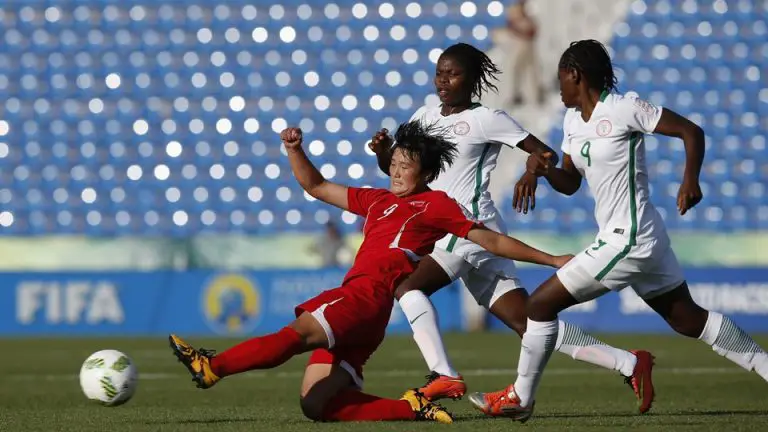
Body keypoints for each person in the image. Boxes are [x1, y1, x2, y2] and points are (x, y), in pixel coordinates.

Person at [169, 121, 572, 424]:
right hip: (368, 310)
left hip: (365, 296)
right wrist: (294, 149)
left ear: (426, 174)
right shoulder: (377, 200)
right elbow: (317, 186)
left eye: (405, 166)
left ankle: (212, 368)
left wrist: (552, 260)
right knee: (315, 404)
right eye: (393, 164)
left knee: (295, 336)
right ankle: (411, 408)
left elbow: (491, 240)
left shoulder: (435, 204)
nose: (396, 172)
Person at [468, 39, 768, 423]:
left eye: (561, 79)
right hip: (637, 237)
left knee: (539, 306)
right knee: (688, 320)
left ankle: (520, 398)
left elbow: (691, 132)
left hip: (629, 237)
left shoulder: (624, 108)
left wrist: (690, 180)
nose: (558, 89)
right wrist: (544, 173)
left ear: (576, 75)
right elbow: (570, 183)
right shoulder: (573, 122)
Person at [370, 42, 654, 412]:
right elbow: (404, 172)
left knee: (407, 286)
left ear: (471, 79)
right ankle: (628, 363)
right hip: (453, 230)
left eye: (453, 74)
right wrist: (384, 153)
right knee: (528, 322)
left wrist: (531, 173)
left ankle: (443, 374)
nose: (443, 80)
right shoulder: (423, 117)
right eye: (440, 73)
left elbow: (545, 153)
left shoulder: (486, 119)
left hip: (467, 227)